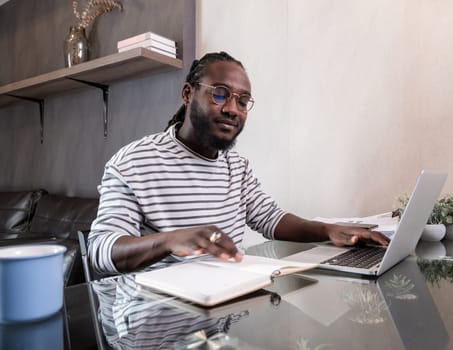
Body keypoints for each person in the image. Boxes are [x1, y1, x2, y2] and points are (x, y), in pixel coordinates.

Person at [88, 51, 389, 275]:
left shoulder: (237, 167)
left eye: (243, 101)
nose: (233, 109)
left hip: (225, 310)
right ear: (187, 93)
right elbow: (100, 250)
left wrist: (328, 230)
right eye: (220, 94)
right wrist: (171, 240)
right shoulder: (134, 162)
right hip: (156, 320)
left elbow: (272, 219)